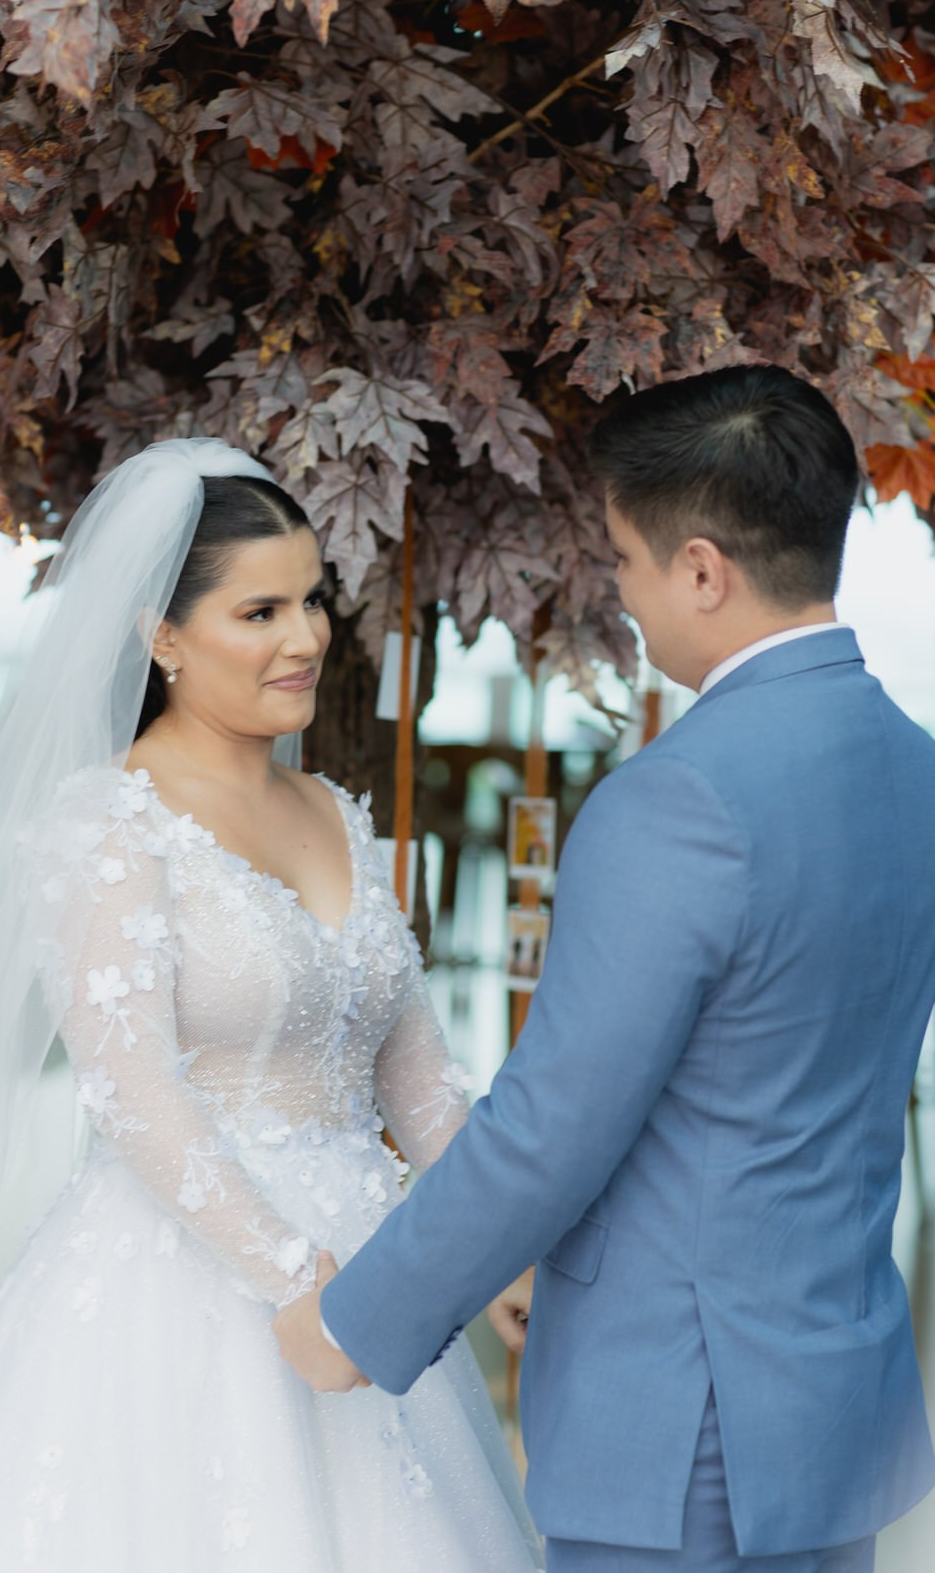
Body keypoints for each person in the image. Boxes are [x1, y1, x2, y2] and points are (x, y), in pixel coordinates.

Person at [274, 365, 935, 1572]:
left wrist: (354, 1324)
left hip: (674, 1427)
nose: (622, 599)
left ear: (699, 569)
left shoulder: (676, 801)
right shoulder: (913, 766)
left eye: (624, 562)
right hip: (830, 1405)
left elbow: (550, 1125)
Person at [0, 440, 542, 1571]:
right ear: (162, 635)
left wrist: (498, 1251)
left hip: (369, 1277)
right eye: (260, 609)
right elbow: (135, 1097)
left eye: (314, 600)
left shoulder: (335, 811)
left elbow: (417, 1077)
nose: (305, 637)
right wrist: (297, 1278)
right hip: (188, 1278)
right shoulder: (105, 823)